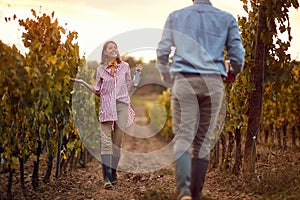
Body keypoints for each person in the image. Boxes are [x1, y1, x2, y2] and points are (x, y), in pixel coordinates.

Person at [156, 0, 245, 199]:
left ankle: (184, 191)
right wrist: (232, 73)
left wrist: (167, 76)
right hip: (213, 82)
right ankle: (196, 195)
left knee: (183, 137)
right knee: (203, 142)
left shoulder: (175, 16)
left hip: (184, 80)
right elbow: (238, 56)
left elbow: (162, 53)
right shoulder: (226, 18)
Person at [71, 41, 142, 189]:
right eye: (110, 48)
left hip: (122, 106)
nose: (114, 49)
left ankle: (114, 172)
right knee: (106, 142)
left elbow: (130, 85)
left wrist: (138, 73)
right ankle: (107, 178)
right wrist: (82, 82)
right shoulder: (100, 70)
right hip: (106, 107)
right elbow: (97, 89)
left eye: (115, 47)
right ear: (105, 52)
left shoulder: (125, 67)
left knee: (117, 143)